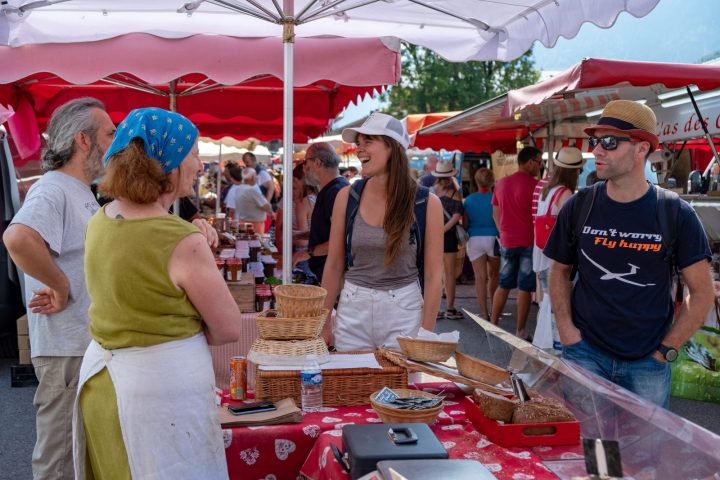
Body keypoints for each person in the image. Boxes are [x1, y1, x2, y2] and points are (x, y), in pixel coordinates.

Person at [74, 107, 241, 478]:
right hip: (160, 401)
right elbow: (228, 328)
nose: (198, 164)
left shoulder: (99, 221)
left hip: (104, 388)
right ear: (170, 164)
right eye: (193, 154)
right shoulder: (182, 241)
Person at [545, 100, 714, 407]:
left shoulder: (676, 213)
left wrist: (667, 349)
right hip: (586, 354)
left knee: (644, 453)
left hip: (648, 362)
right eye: (595, 141)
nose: (596, 151)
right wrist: (568, 332)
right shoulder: (580, 206)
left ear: (641, 149)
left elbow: (701, 292)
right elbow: (558, 270)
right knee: (595, 449)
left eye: (609, 142)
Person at [3, 98, 115, 480]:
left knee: (76, 453)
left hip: (79, 345)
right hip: (66, 346)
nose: (114, 142)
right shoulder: (53, 188)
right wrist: (60, 284)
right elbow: (17, 238)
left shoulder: (77, 189)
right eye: (109, 134)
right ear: (84, 141)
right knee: (60, 457)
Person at [321, 112, 444, 350]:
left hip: (404, 311)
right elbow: (334, 264)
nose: (359, 149)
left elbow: (434, 275)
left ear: (394, 148)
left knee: (402, 386)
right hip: (353, 308)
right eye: (359, 143)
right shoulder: (347, 197)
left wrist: (427, 334)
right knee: (352, 386)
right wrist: (324, 324)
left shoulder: (426, 203)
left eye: (368, 141)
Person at [532, 147, 585, 345]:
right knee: (556, 306)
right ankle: (552, 346)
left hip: (542, 255)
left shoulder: (547, 190)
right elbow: (569, 230)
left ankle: (541, 343)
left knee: (546, 304)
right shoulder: (566, 194)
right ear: (575, 171)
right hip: (556, 259)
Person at [490, 146, 542, 339]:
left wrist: (503, 231)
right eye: (539, 162)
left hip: (507, 240)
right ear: (530, 162)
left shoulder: (501, 183)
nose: (540, 166)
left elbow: (495, 212)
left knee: (503, 284)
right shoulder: (536, 186)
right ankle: (520, 331)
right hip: (529, 240)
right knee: (524, 288)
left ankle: (493, 325)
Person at [297, 142, 350, 283]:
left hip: (333, 277)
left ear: (318, 163)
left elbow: (343, 238)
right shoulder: (331, 189)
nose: (304, 168)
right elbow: (328, 231)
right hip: (326, 273)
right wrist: (299, 235)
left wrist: (308, 253)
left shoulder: (335, 192)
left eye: (305, 162)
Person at [464, 167, 500, 320]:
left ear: (476, 181)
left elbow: (465, 224)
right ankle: (494, 309)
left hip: (474, 239)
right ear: (492, 181)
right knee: (494, 276)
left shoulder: (469, 200)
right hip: (494, 238)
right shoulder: (496, 198)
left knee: (480, 278)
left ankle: (484, 313)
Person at [432, 160, 465, 320]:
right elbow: (456, 217)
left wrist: (435, 231)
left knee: (435, 274)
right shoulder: (455, 193)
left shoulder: (431, 191)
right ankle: (450, 308)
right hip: (449, 238)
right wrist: (443, 230)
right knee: (450, 274)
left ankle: (435, 309)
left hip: (432, 238)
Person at [233, 167, 273, 234]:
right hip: (254, 226)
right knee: (256, 243)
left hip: (242, 222)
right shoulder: (252, 190)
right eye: (255, 176)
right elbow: (266, 207)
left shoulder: (239, 189)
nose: (256, 178)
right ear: (252, 177)